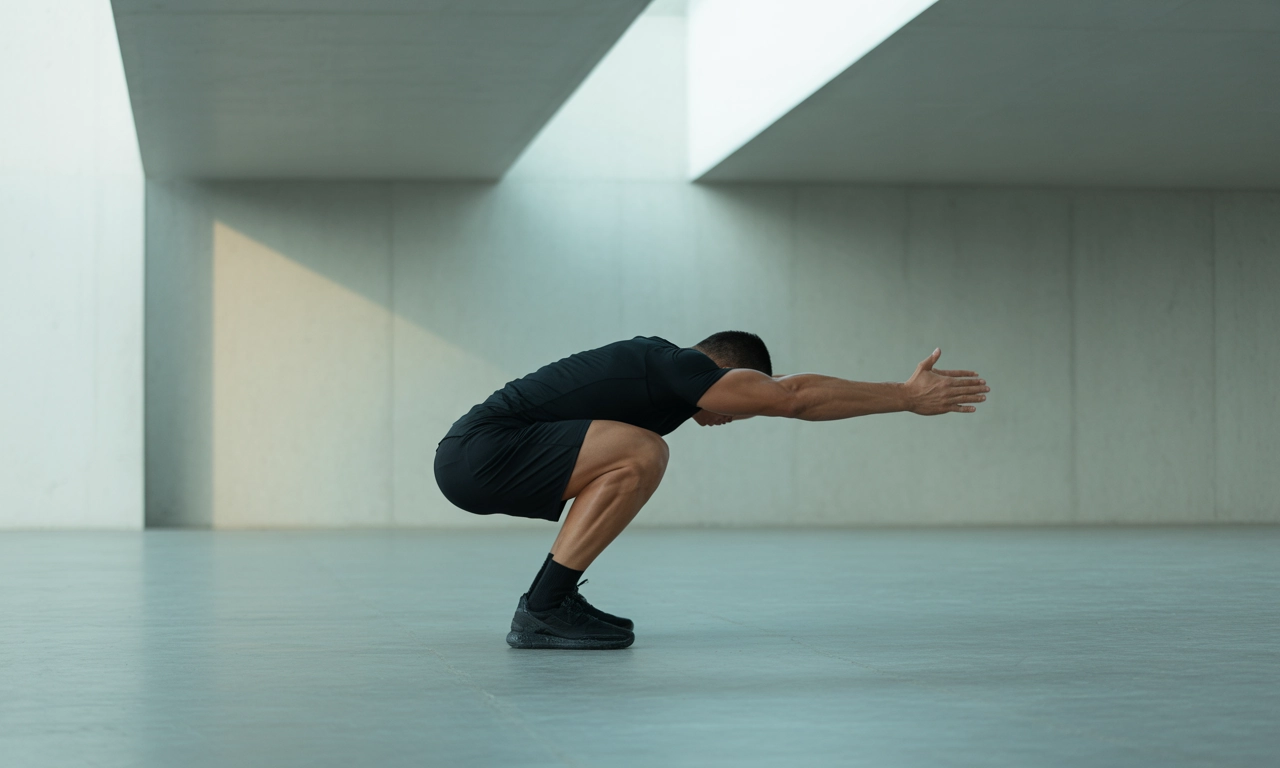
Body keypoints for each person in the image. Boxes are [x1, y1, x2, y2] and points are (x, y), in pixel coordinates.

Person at [434, 331, 989, 650]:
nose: (739, 415)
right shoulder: (680, 366)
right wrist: (904, 395)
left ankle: (552, 602)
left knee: (636, 450)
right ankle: (544, 608)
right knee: (642, 451)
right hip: (478, 453)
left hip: (481, 456)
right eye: (744, 396)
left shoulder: (666, 384)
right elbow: (792, 397)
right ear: (726, 372)